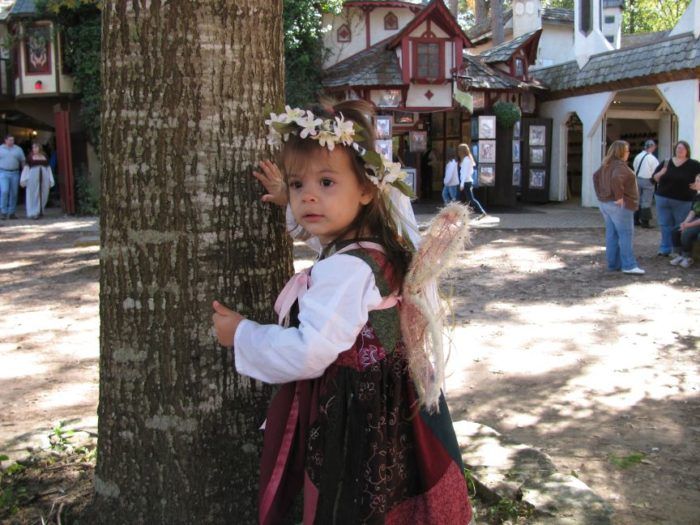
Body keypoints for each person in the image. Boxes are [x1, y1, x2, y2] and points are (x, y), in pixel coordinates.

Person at [212, 101, 472, 525]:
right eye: (299, 185)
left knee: (349, 504)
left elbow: (307, 351)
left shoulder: (347, 271)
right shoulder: (375, 245)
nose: (309, 195)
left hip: (359, 417)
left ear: (368, 190)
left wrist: (241, 334)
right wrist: (290, 203)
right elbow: (330, 241)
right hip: (391, 406)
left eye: (327, 182)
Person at [593, 140, 645, 275]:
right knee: (625, 235)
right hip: (620, 205)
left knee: (612, 234)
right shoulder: (619, 166)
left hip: (606, 203)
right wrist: (619, 196)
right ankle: (629, 265)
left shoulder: (606, 164)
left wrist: (600, 194)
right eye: (627, 150)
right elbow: (616, 179)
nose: (628, 153)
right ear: (621, 152)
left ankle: (613, 263)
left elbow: (595, 176)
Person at [652, 140, 700, 256]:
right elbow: (654, 178)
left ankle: (679, 250)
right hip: (663, 198)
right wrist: (661, 173)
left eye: (683, 148)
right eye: (678, 148)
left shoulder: (694, 164)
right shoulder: (667, 162)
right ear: (675, 149)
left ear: (687, 150)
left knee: (680, 224)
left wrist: (697, 185)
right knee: (664, 224)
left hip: (683, 199)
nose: (680, 150)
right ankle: (665, 248)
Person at [669, 174, 700, 268]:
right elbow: (692, 211)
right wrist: (685, 223)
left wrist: (688, 226)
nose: (695, 183)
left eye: (698, 181)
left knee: (687, 233)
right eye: (696, 180)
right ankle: (679, 254)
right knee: (676, 230)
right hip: (695, 220)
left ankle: (687, 256)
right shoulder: (697, 195)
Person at [20, 143, 55, 219]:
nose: (34, 149)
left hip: (44, 175)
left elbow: (48, 168)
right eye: (33, 148)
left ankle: (40, 210)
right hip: (33, 176)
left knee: (44, 193)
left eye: (36, 147)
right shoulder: (30, 157)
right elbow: (26, 168)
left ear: (39, 148)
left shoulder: (45, 156)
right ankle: (33, 211)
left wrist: (50, 178)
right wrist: (24, 179)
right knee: (33, 193)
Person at [632, 139, 659, 228]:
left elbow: (634, 166)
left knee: (638, 199)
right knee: (646, 201)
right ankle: (645, 221)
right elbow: (656, 170)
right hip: (648, 180)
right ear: (652, 147)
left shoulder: (638, 156)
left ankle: (635, 219)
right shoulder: (652, 158)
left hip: (637, 179)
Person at [0, 134, 26, 220]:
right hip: (3, 172)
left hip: (15, 172)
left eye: (13, 140)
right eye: (10, 140)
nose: (12, 142)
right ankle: (3, 212)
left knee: (14, 193)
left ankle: (12, 212)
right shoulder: (1, 149)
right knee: (4, 191)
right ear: (5, 140)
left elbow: (22, 161)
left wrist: (24, 173)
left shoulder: (18, 149)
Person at [458, 143, 486, 218]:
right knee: (468, 199)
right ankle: (465, 214)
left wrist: (462, 184)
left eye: (459, 150)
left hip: (466, 182)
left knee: (471, 199)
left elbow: (464, 173)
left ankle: (482, 212)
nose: (458, 152)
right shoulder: (468, 159)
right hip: (468, 181)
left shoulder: (466, 160)